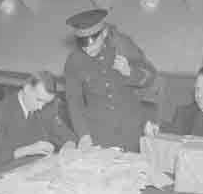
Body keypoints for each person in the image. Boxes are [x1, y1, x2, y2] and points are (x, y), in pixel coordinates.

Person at [64, 8, 156, 152]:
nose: (88, 50)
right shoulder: (74, 61)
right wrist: (83, 134)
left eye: (93, 44)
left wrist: (130, 72)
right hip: (100, 134)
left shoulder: (123, 46)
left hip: (131, 130)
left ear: (104, 33)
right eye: (84, 45)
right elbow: (74, 101)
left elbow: (150, 76)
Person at [0, 71, 77, 169]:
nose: (40, 107)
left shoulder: (46, 108)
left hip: (37, 171)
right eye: (39, 100)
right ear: (27, 89)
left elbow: (68, 137)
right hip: (8, 172)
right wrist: (28, 150)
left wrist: (68, 147)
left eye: (46, 103)